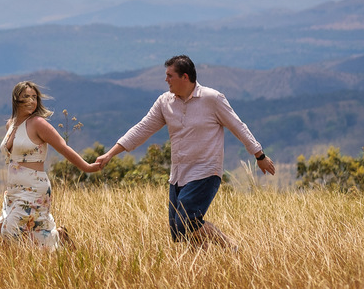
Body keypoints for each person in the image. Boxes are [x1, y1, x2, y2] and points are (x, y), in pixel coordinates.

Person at [95, 54, 275, 248]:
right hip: (179, 175)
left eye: (170, 75)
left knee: (187, 221)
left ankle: (231, 248)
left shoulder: (212, 99)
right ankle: (204, 266)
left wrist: (259, 155)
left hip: (206, 172)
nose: (166, 80)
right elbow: (142, 129)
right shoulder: (165, 102)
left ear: (185, 77)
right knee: (179, 232)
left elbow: (238, 127)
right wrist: (110, 154)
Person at [0, 81, 101, 250]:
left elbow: (63, 147)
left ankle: (52, 242)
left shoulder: (38, 123)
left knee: (8, 231)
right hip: (14, 189)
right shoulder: (10, 125)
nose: (31, 101)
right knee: (31, 232)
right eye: (26, 96)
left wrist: (88, 167)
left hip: (34, 188)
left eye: (34, 97)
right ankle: (58, 238)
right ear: (16, 99)